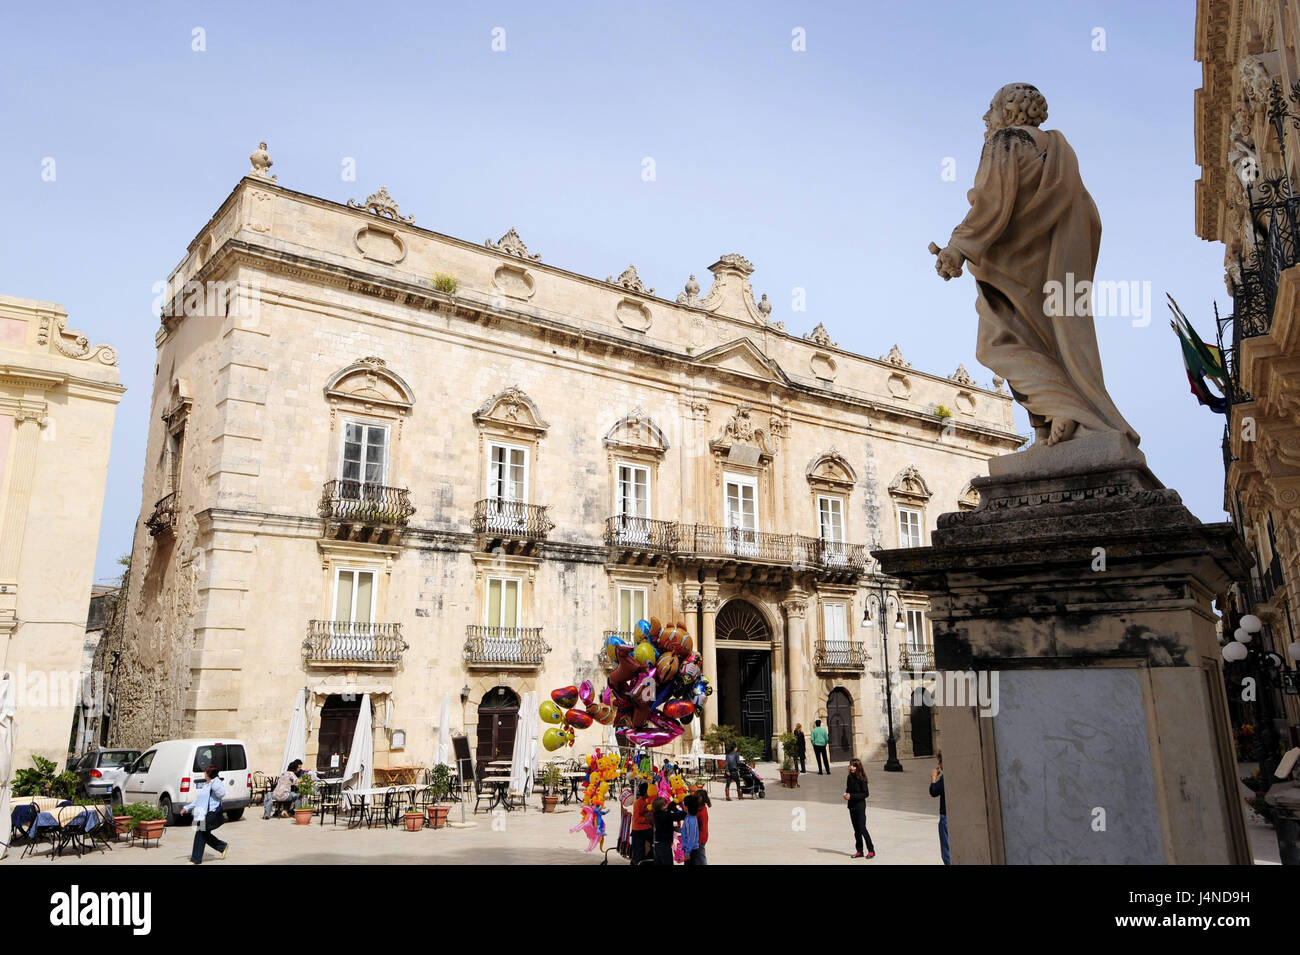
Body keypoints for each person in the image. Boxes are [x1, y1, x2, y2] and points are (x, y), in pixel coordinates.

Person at [181, 764, 228, 864]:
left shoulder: (216, 782)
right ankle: (222, 846)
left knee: (200, 833)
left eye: (205, 772)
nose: (204, 774)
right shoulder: (207, 784)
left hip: (211, 813)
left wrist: (213, 783)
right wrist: (186, 808)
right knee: (204, 834)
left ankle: (195, 860)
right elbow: (199, 800)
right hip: (203, 814)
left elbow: (222, 793)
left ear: (209, 774)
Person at [843, 757, 874, 859]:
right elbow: (848, 789)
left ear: (858, 767)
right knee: (856, 830)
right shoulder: (849, 777)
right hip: (852, 806)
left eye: (853, 766)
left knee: (862, 828)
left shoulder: (862, 779)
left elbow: (866, 793)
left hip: (860, 807)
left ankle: (871, 850)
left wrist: (852, 796)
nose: (851, 767)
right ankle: (859, 851)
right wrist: (846, 794)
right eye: (850, 765)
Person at [651, 795, 685, 865]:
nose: (667, 805)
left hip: (658, 842)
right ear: (661, 807)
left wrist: (674, 802)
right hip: (664, 843)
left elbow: (668, 809)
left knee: (659, 862)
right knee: (667, 861)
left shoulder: (656, 813)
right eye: (665, 804)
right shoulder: (665, 815)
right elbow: (678, 816)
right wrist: (686, 811)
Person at [930, 752, 950, 865]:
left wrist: (933, 777)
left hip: (945, 817)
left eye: (940, 762)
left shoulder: (945, 778)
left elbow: (933, 791)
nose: (939, 764)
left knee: (947, 851)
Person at [684, 790, 710, 865]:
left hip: (700, 840)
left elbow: (703, 828)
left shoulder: (701, 813)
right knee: (697, 859)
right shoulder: (700, 810)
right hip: (698, 839)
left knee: (701, 859)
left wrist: (698, 841)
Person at [630, 782, 653, 864]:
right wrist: (646, 819)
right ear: (646, 792)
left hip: (647, 828)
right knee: (639, 853)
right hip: (638, 830)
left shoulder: (650, 801)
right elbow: (636, 819)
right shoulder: (637, 803)